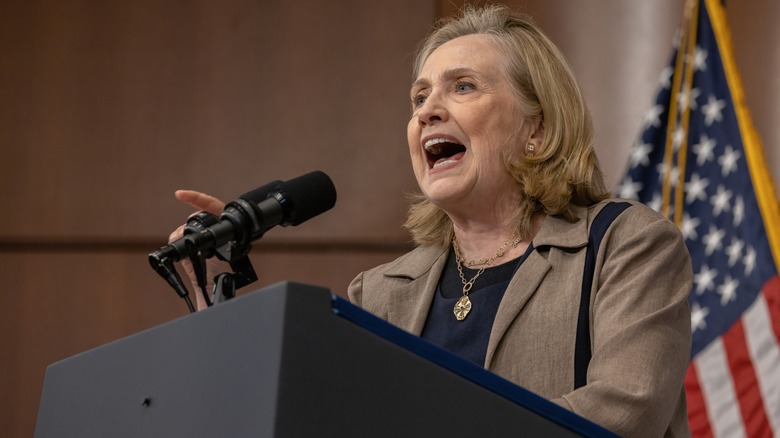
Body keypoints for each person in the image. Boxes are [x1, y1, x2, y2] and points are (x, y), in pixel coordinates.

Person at [171, 5, 692, 437]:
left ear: (536, 127)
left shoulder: (624, 244)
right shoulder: (380, 295)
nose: (427, 111)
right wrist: (216, 324)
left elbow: (627, 410)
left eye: (462, 87)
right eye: (419, 97)